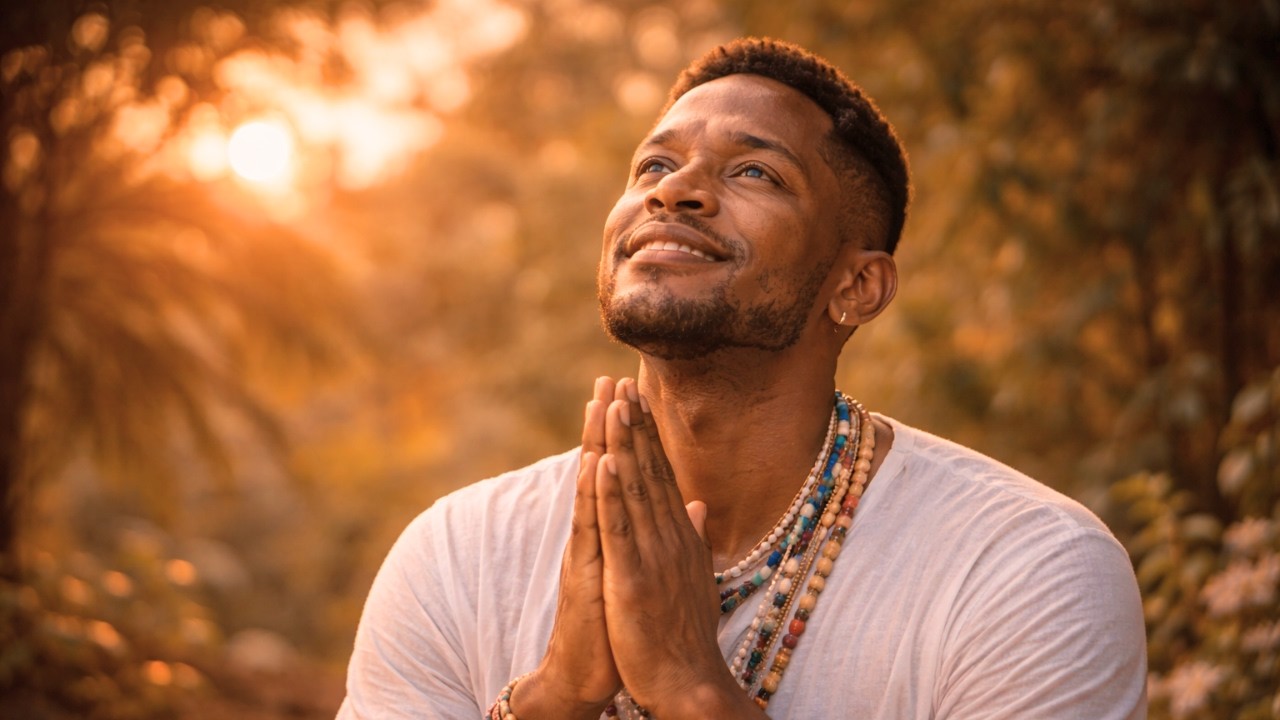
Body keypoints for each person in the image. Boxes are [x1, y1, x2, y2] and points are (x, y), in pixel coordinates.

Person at [337, 37, 1147, 719]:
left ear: (856, 286)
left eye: (756, 173)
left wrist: (696, 691)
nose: (675, 191)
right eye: (654, 163)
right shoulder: (457, 555)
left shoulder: (1025, 571)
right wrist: (554, 698)